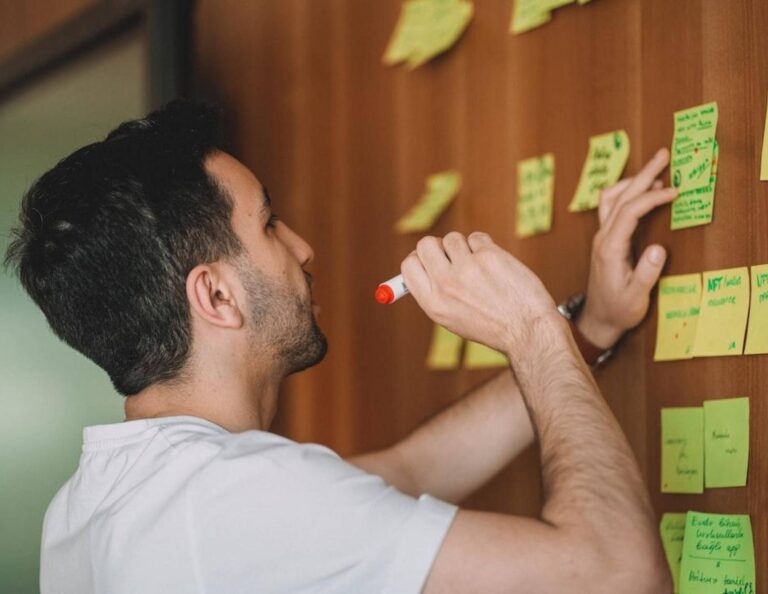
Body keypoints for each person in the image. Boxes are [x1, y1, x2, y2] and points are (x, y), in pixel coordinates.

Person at [5, 100, 677, 594]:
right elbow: (618, 573)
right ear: (214, 296)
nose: (303, 248)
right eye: (269, 224)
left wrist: (586, 332)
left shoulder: (96, 503)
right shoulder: (237, 499)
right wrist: (530, 329)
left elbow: (411, 470)